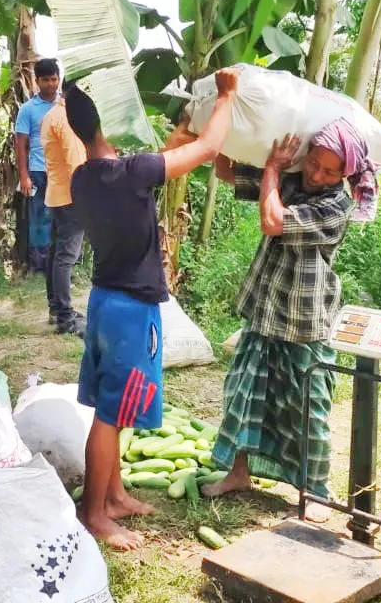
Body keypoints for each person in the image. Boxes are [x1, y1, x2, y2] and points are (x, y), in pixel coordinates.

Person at [66, 68, 237, 550]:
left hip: (102, 303)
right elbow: (203, 152)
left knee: (109, 406)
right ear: (108, 121)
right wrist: (224, 99)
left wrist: (181, 129)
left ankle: (114, 494)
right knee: (110, 416)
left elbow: (157, 164)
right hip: (129, 311)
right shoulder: (129, 172)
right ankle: (96, 513)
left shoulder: (88, 178)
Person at [202, 120, 379, 525]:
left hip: (305, 318)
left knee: (307, 407)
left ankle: (316, 491)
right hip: (267, 307)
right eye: (314, 163)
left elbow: (272, 221)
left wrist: (270, 172)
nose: (317, 174)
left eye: (329, 171)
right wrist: (227, 122)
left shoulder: (337, 206)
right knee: (244, 393)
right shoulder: (294, 178)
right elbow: (225, 170)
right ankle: (239, 472)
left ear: (345, 175)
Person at [41, 97, 88, 335]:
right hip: (71, 196)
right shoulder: (67, 119)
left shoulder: (51, 114)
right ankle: (65, 317)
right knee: (66, 256)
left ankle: (56, 308)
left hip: (56, 193)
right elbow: (76, 163)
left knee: (56, 254)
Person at [15, 58, 61, 272]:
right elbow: (21, 145)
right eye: (46, 80)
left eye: (54, 79)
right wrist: (24, 176)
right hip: (38, 171)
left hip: (63, 172)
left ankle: (61, 264)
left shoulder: (65, 106)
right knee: (39, 218)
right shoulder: (28, 109)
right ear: (37, 81)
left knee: (63, 218)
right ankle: (38, 265)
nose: (51, 84)